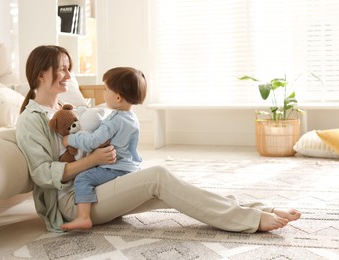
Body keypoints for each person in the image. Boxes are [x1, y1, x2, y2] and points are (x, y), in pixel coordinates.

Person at [16, 45, 301, 234]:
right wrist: (92, 159)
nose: (69, 75)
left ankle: (256, 210)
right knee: (159, 177)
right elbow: (43, 175)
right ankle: (251, 221)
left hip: (98, 184)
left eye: (69, 68)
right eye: (63, 69)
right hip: (73, 202)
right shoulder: (31, 120)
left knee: (173, 188)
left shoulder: (66, 109)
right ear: (41, 74)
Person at [60, 67, 147, 230]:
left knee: (83, 179)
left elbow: (93, 141)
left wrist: (70, 138)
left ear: (118, 97)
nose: (104, 93)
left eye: (106, 89)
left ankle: (83, 217)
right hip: (130, 166)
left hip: (114, 168)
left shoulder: (114, 121)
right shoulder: (131, 117)